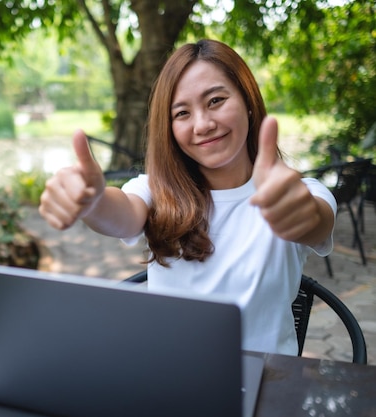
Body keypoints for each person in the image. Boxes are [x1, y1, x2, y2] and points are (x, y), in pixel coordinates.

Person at [38, 39, 336, 356]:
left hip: (267, 388)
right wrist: (93, 200)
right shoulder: (156, 190)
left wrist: (296, 214)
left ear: (248, 101)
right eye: (182, 113)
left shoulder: (301, 193)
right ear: (168, 128)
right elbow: (121, 215)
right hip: (169, 383)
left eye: (216, 100)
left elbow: (314, 221)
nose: (203, 125)